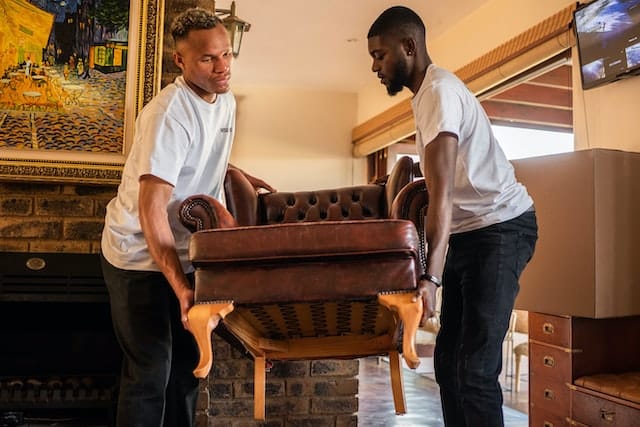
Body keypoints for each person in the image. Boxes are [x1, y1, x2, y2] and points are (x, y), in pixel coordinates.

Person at [100, 8, 273, 426]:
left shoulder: (225, 98)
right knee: (150, 372)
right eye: (208, 59)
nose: (222, 67)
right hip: (138, 255)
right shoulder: (167, 116)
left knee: (189, 371)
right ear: (180, 61)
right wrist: (180, 286)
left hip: (191, 250)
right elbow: (150, 209)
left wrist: (240, 175)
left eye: (226, 55)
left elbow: (206, 158)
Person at [367, 7, 538, 427]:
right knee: (448, 364)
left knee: (475, 370)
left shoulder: (440, 93)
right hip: (468, 233)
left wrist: (430, 278)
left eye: (379, 54)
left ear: (409, 46)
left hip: (500, 228)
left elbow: (440, 197)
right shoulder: (425, 96)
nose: (375, 66)